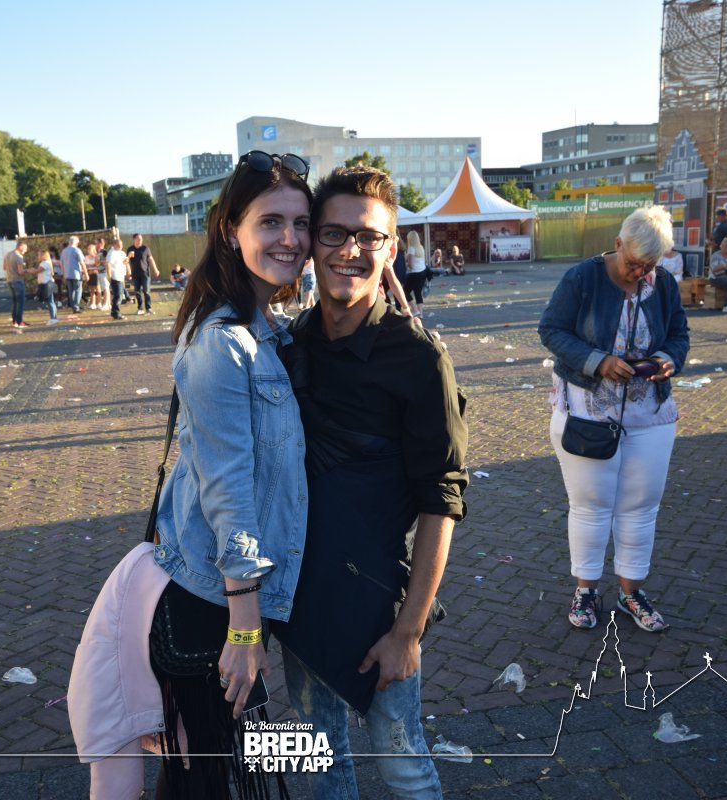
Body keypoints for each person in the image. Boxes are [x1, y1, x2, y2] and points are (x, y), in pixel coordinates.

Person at [67, 150, 311, 799]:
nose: (290, 238)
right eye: (271, 222)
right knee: (212, 779)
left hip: (229, 600)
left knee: (216, 774)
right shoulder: (220, 345)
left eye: (300, 223)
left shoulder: (267, 330)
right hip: (212, 607)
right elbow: (229, 492)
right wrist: (245, 629)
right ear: (232, 229)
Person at [273, 165, 468, 799]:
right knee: (316, 766)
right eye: (334, 233)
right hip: (300, 601)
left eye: (369, 237)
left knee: (404, 765)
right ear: (312, 242)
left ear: (390, 249)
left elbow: (442, 501)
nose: (350, 250)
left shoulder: (420, 359)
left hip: (377, 606)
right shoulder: (290, 345)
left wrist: (407, 634)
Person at [538, 205, 689, 633]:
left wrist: (667, 359)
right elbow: (551, 330)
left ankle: (631, 592)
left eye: (649, 266)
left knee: (641, 505)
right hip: (588, 409)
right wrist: (598, 361)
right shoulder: (583, 277)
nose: (639, 273)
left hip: (650, 412)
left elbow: (679, 334)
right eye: (633, 263)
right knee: (591, 505)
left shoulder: (663, 284)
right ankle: (586, 590)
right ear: (618, 244)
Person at [126, 233, 160, 315]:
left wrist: (155, 269)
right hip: (135, 274)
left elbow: (151, 259)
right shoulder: (130, 249)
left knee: (146, 291)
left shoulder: (145, 248)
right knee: (137, 291)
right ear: (134, 239)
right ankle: (140, 308)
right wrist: (129, 257)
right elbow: (126, 261)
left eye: (141, 239)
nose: (140, 240)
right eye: (138, 239)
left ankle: (148, 308)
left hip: (145, 273)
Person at [3, 241, 29, 328]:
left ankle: (14, 321)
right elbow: (20, 272)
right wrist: (27, 270)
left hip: (9, 280)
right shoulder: (19, 257)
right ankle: (19, 322)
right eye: (25, 248)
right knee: (20, 302)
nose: (26, 250)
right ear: (20, 247)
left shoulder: (7, 254)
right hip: (17, 281)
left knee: (15, 302)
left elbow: (4, 267)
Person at [403, 230, 428, 317]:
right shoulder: (421, 247)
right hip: (422, 272)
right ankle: (421, 313)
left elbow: (411, 264)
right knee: (418, 293)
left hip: (414, 273)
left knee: (404, 292)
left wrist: (404, 263)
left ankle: (415, 310)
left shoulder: (411, 249)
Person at [60, 236, 85, 314]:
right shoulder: (77, 250)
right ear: (76, 242)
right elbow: (82, 262)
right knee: (78, 290)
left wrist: (64, 273)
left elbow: (61, 264)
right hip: (76, 273)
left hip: (67, 274)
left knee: (71, 291)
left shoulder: (64, 251)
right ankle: (76, 306)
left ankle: (73, 306)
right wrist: (86, 273)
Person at [105, 238, 129, 320]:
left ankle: (114, 312)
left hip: (120, 276)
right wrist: (109, 276)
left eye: (121, 245)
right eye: (118, 245)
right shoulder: (112, 253)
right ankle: (116, 313)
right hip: (115, 277)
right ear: (114, 245)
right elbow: (108, 264)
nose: (120, 246)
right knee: (118, 296)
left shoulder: (118, 252)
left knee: (119, 295)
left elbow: (122, 263)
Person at [36, 247, 59, 325]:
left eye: (39, 255)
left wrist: (28, 270)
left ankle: (53, 318)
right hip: (47, 283)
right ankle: (54, 317)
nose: (38, 256)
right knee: (50, 301)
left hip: (47, 284)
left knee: (50, 302)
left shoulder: (45, 263)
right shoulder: (45, 262)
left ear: (43, 255)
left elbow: (38, 270)